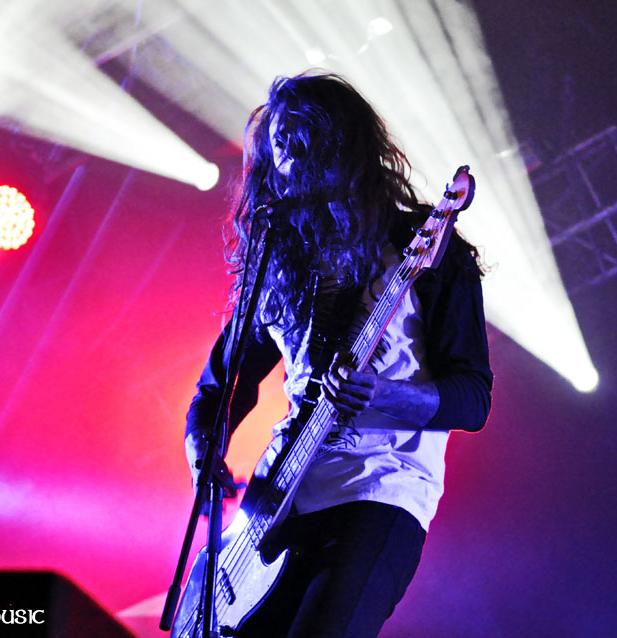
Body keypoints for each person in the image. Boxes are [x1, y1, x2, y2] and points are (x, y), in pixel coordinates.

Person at [184, 72, 493, 638]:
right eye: (278, 145)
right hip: (273, 502)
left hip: (378, 490)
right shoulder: (280, 266)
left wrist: (385, 393)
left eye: (301, 140)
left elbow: (473, 399)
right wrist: (204, 454)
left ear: (343, 145)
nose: (288, 159)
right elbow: (218, 391)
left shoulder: (427, 249)